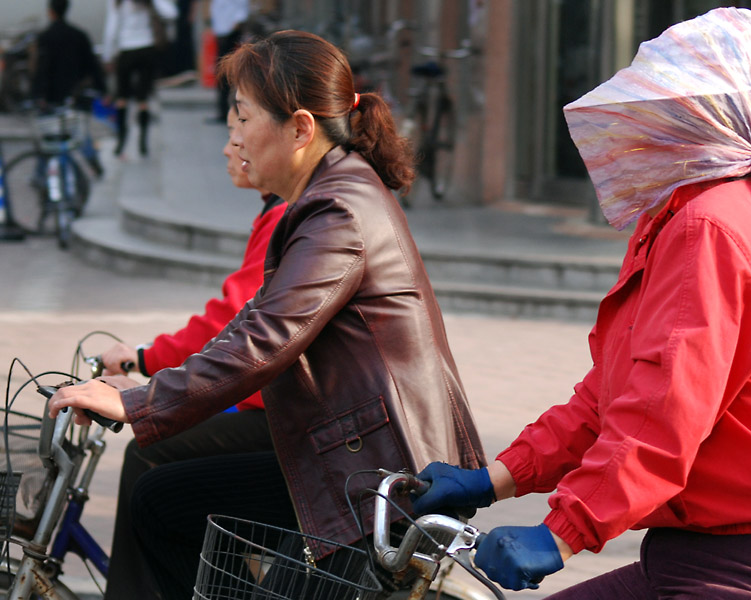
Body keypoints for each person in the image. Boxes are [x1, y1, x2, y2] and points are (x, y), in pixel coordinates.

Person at [411, 8, 751, 599]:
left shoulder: (709, 224)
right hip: (725, 549)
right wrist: (496, 479)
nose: (634, 138)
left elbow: (665, 409)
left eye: (652, 118)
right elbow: (618, 392)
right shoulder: (697, 213)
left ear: (694, 126)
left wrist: (563, 532)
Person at [48, 30, 485, 599]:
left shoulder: (338, 211)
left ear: (300, 129)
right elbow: (255, 320)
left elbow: (266, 338)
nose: (233, 137)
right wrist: (150, 383)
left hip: (380, 478)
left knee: (172, 501)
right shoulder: (327, 196)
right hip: (350, 454)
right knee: (160, 501)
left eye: (243, 117)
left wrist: (139, 401)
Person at [98, 103, 286, 599]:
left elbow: (233, 323)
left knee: (152, 458)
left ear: (296, 132)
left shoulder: (299, 215)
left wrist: (147, 376)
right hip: (278, 405)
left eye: (240, 129)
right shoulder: (289, 212)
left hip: (294, 419)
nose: (229, 148)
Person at [32, 0, 108, 176]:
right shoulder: (79, 35)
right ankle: (92, 160)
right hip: (75, 95)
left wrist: (37, 95)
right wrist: (102, 90)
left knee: (48, 136)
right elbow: (93, 66)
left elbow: (41, 70)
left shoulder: (45, 37)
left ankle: (40, 175)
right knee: (78, 133)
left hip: (51, 96)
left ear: (50, 12)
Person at [102, 0, 178, 157]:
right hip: (147, 47)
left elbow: (111, 27)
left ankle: (122, 140)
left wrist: (107, 55)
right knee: (143, 98)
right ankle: (143, 141)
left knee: (122, 97)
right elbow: (171, 13)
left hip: (126, 48)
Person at [207, 0, 248, 123]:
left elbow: (242, 7)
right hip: (221, 29)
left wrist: (237, 23)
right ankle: (223, 110)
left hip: (230, 30)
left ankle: (229, 110)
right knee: (221, 71)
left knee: (227, 71)